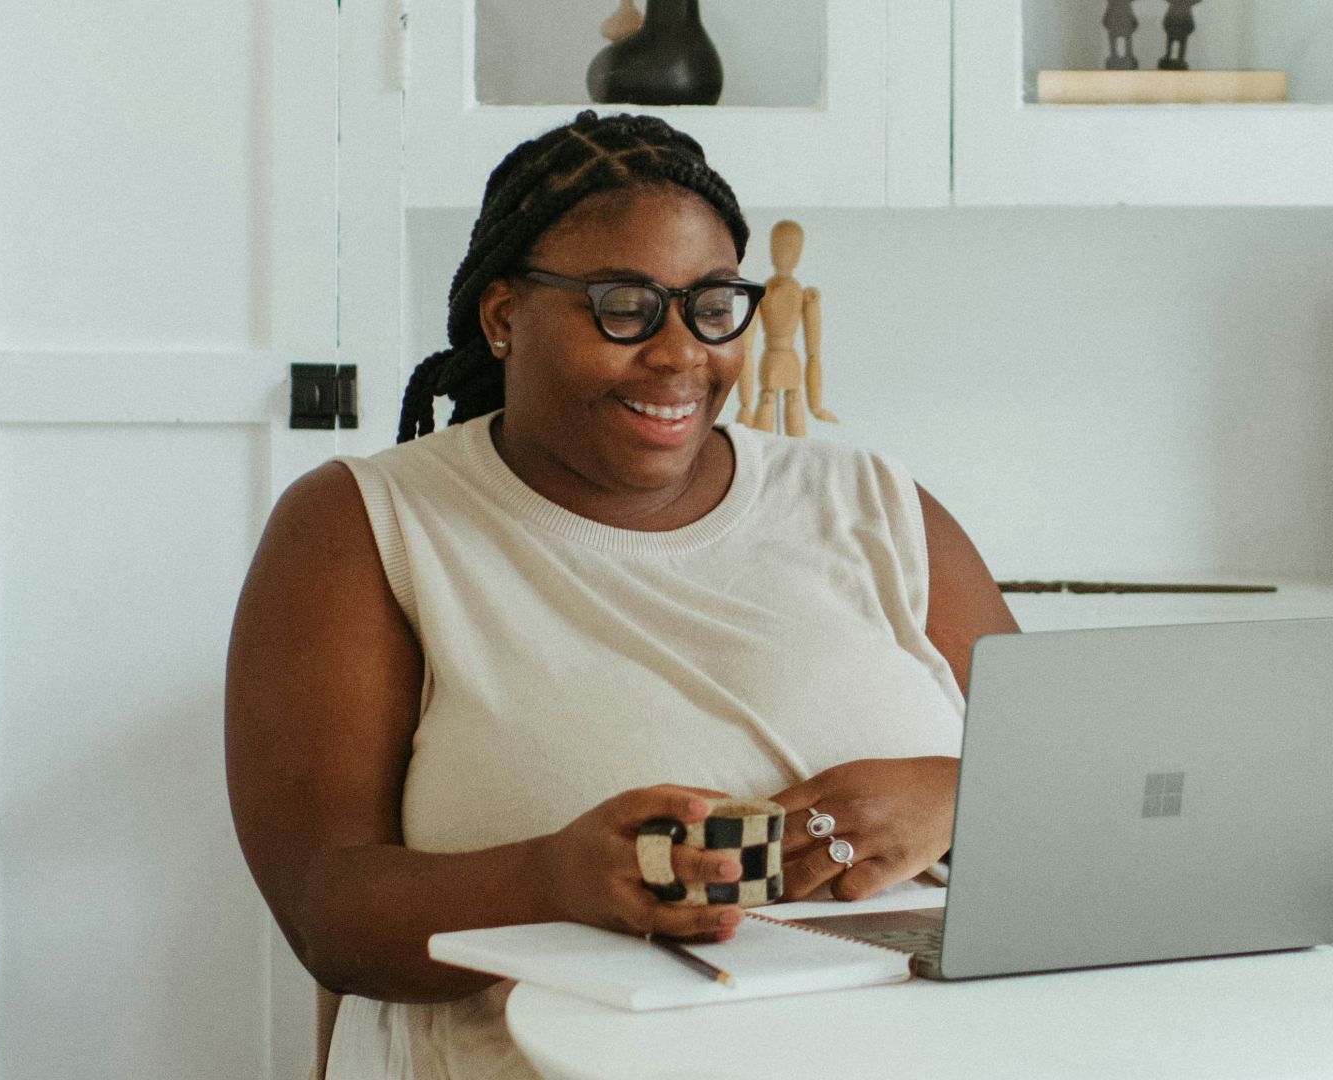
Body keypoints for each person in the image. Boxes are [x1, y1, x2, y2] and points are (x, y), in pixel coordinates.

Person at [224, 110, 1018, 1077]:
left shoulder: (876, 506)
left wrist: (959, 794)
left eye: (713, 304)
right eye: (624, 304)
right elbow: (325, 911)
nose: (682, 353)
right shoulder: (366, 526)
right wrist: (553, 877)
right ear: (504, 315)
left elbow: (1089, 793)